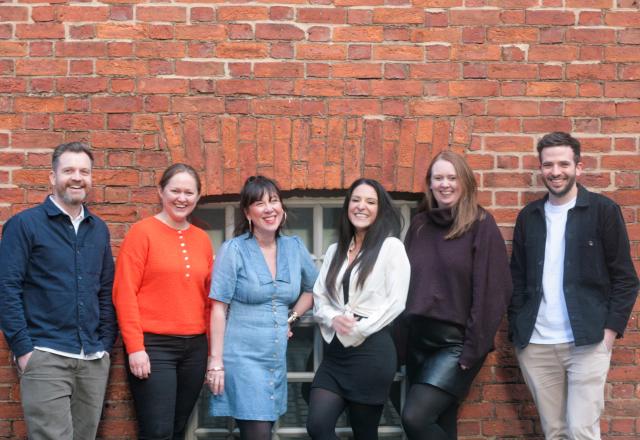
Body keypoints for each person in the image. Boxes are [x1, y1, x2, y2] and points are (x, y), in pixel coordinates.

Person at [509, 132, 639, 439]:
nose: (556, 172)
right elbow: (516, 278)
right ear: (540, 169)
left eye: (564, 164)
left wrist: (608, 334)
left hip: (588, 341)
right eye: (548, 165)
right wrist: (517, 326)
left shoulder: (603, 211)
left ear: (578, 167)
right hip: (537, 344)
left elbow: (626, 278)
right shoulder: (529, 217)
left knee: (581, 431)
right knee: (554, 432)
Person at [0, 142, 117, 440]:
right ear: (52, 177)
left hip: (92, 357)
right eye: (68, 170)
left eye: (84, 171)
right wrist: (25, 351)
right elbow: (7, 289)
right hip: (45, 354)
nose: (77, 177)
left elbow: (105, 291)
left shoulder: (99, 229)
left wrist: (104, 344)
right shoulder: (24, 225)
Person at [400, 151, 512, 440]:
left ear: (465, 183)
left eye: (452, 177)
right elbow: (403, 283)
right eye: (438, 178)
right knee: (442, 423)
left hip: (455, 345)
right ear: (430, 183)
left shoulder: (480, 225)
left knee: (415, 418)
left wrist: (472, 351)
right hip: (418, 343)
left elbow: (492, 292)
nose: (445, 184)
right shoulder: (419, 225)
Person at [207, 175, 317, 440]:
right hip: (241, 357)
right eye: (259, 203)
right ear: (247, 213)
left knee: (262, 429)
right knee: (258, 433)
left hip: (275, 359)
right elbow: (219, 309)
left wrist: (290, 319)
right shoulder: (233, 250)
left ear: (282, 207)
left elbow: (314, 289)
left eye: (274, 201)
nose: (269, 209)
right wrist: (216, 362)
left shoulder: (294, 247)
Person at [112, 163, 213, 439]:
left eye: (189, 192)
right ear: (161, 191)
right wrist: (135, 347)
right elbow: (124, 292)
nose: (182, 198)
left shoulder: (202, 240)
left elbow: (208, 301)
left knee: (178, 428)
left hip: (194, 348)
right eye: (175, 190)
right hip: (154, 347)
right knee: (157, 431)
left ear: (197, 197)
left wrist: (211, 350)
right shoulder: (141, 233)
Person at [307, 178, 410, 440]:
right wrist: (333, 318)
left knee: (364, 433)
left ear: (380, 209)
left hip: (372, 352)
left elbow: (396, 302)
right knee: (318, 426)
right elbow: (319, 297)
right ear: (347, 206)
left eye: (370, 201)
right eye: (356, 200)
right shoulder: (334, 250)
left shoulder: (391, 248)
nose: (361, 206)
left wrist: (358, 329)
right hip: (336, 355)